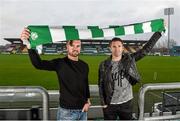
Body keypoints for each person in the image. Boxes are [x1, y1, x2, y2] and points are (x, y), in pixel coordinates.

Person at [20, 28, 91, 120]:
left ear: (80, 47)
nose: (75, 48)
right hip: (66, 113)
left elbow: (85, 85)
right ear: (67, 46)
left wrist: (88, 102)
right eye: (72, 45)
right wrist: (30, 46)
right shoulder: (60, 63)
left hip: (83, 111)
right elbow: (38, 64)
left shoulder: (84, 65)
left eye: (78, 46)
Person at [98, 32, 162, 120]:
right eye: (114, 46)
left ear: (123, 48)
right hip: (110, 105)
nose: (117, 49)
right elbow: (100, 85)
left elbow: (145, 50)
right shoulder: (103, 65)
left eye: (119, 46)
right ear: (110, 48)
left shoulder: (129, 60)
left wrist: (158, 33)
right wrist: (103, 103)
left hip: (126, 103)